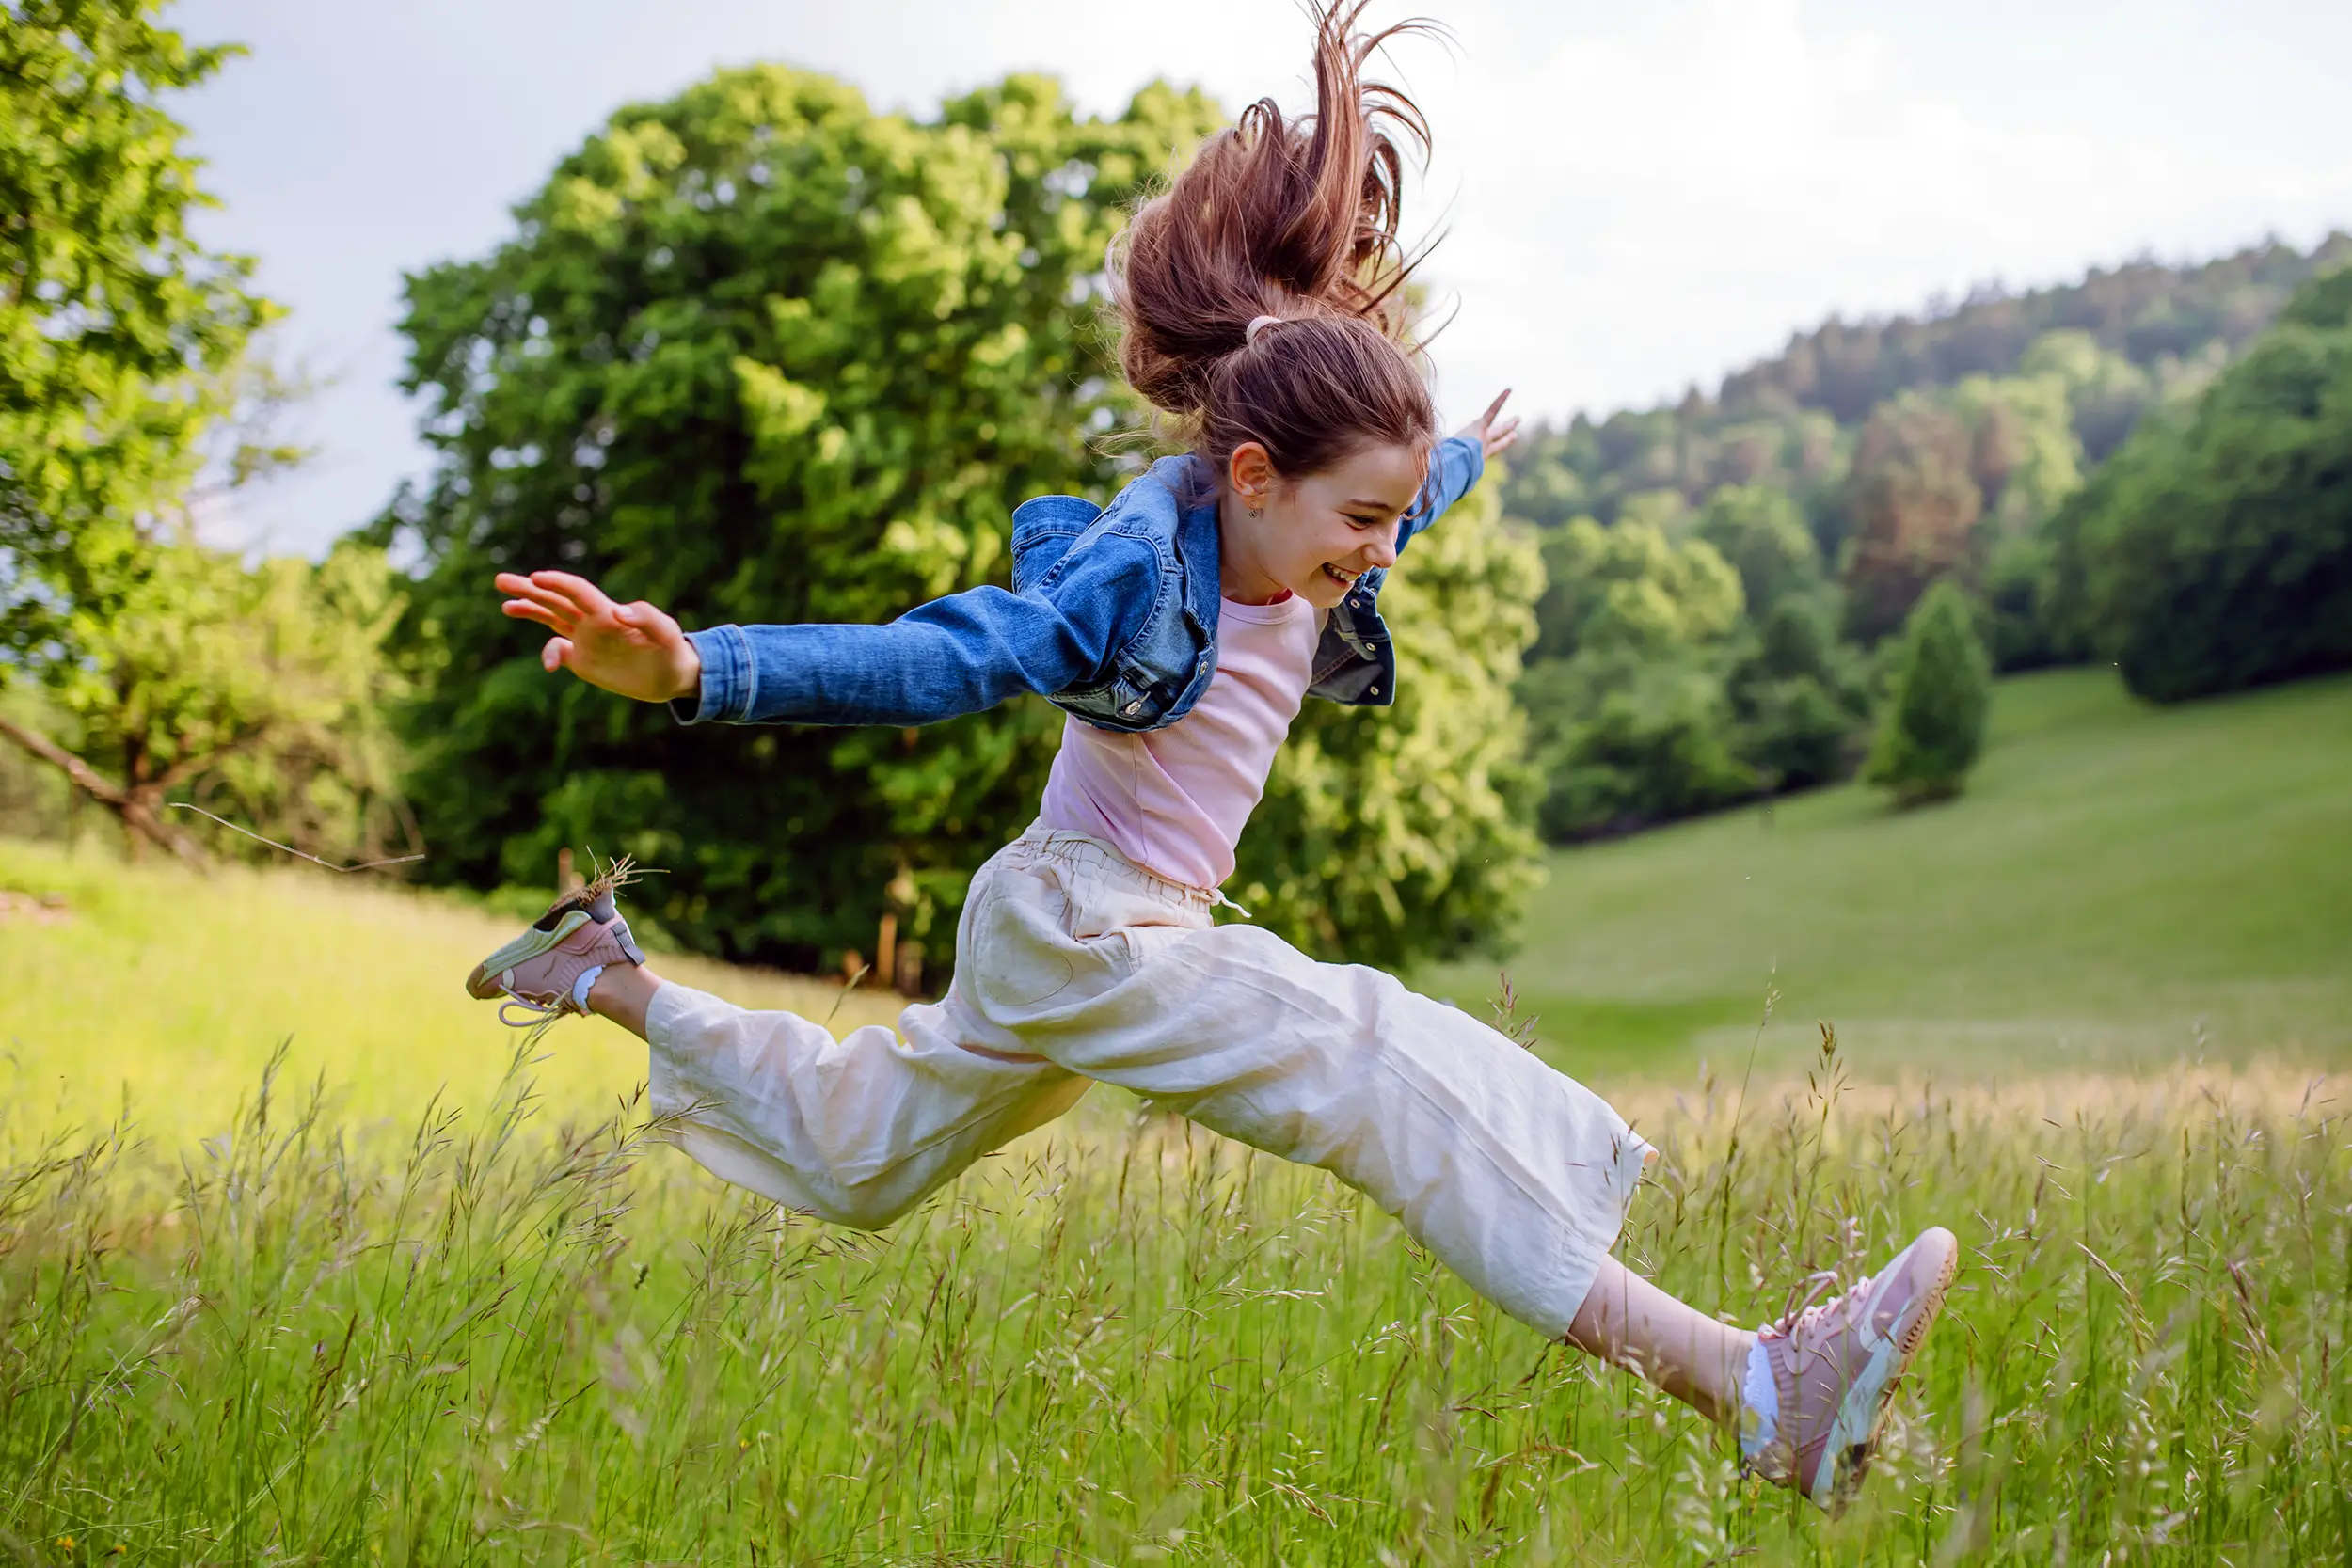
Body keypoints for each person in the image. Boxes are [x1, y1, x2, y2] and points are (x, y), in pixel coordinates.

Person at [464, 0, 1953, 1514]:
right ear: (1251, 476)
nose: (1380, 553)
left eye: (1393, 518)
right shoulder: (1131, 573)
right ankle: (1757, 1386)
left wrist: (1461, 459)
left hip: (1097, 928)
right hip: (1085, 920)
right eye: (1359, 521)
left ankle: (597, 971)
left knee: (856, 1155)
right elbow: (949, 653)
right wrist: (702, 668)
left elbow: (1399, 487)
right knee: (1369, 1057)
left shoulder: (1310, 521)